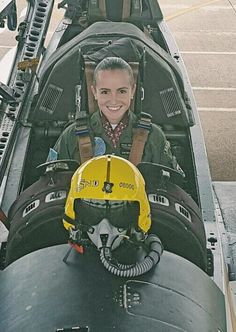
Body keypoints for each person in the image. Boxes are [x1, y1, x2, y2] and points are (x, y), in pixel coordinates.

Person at [53, 56, 177, 169]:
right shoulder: (71, 136)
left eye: (121, 91)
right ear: (94, 92)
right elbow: (52, 181)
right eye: (105, 92)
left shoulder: (154, 137)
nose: (113, 100)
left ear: (132, 90)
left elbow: (172, 186)